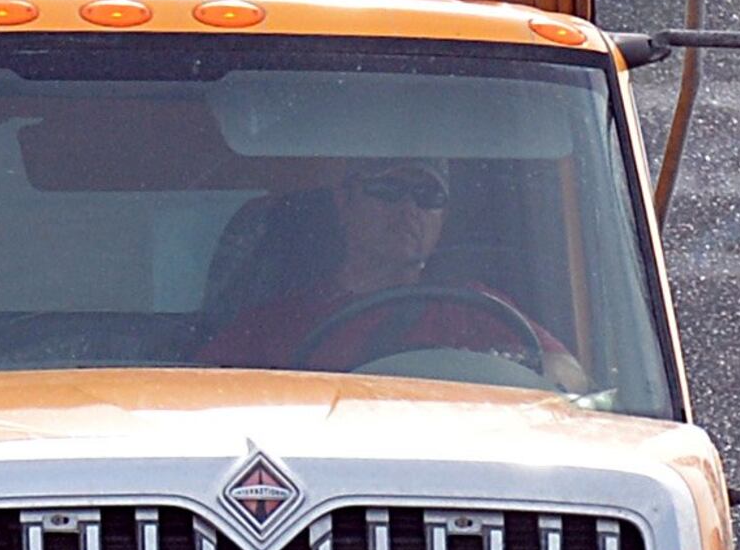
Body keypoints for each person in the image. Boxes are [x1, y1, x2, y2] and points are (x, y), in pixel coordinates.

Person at [204, 159, 588, 390]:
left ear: (443, 217)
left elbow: (568, 378)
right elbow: (202, 393)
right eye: (388, 190)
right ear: (344, 201)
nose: (409, 209)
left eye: (428, 197)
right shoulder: (277, 323)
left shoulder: (477, 309)